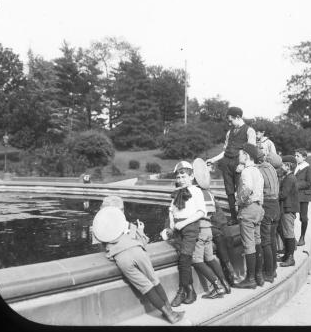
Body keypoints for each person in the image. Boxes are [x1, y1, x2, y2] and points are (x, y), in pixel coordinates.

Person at [92, 205, 185, 324]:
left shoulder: (101, 232)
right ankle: (171, 312)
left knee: (146, 287)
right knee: (154, 280)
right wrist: (140, 230)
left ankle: (169, 315)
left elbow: (101, 249)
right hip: (136, 250)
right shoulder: (125, 225)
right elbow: (143, 241)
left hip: (121, 258)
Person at [206, 107, 257, 226]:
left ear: (238, 118)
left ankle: (242, 217)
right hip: (227, 163)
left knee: (241, 191)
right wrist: (213, 159)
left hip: (239, 164)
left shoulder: (250, 131)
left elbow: (251, 151)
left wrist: (242, 164)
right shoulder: (229, 132)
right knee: (229, 192)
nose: (229, 123)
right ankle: (234, 217)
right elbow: (224, 151)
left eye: (230, 120)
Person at [168, 161, 206, 307]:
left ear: (191, 177)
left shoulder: (196, 191)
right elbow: (171, 210)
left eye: (183, 176)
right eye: (178, 177)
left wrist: (183, 223)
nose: (180, 179)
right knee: (181, 258)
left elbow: (201, 212)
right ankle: (189, 290)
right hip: (177, 229)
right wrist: (172, 222)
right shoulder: (177, 192)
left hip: (190, 227)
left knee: (184, 258)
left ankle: (183, 290)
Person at [233, 143, 265, 289]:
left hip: (248, 209)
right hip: (258, 208)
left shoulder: (246, 171)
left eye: (240, 153)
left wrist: (240, 200)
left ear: (246, 155)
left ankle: (250, 279)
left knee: (249, 244)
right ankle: (259, 275)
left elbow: (247, 188)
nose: (238, 156)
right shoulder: (257, 171)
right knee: (257, 241)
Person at [255, 149, 281, 283]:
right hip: (276, 206)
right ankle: (274, 269)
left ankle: (269, 273)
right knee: (272, 238)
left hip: (267, 206)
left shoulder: (258, 170)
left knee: (265, 241)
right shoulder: (272, 168)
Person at [278, 155, 300, 267]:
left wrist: (272, 194)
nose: (281, 166)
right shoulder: (289, 177)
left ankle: (291, 258)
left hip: (288, 209)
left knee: (289, 234)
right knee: (287, 233)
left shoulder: (289, 178)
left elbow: (283, 195)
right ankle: (287, 255)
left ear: (288, 166)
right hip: (288, 208)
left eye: (283, 164)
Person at [294, 148, 311, 246]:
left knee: (303, 217)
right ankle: (291, 238)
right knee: (291, 216)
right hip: (295, 195)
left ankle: (302, 237)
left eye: (298, 156)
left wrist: (295, 185)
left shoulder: (308, 167)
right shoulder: (295, 166)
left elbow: (309, 183)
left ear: (304, 157)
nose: (296, 157)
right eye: (295, 155)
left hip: (304, 196)